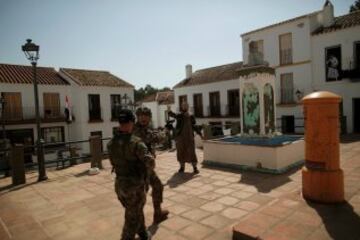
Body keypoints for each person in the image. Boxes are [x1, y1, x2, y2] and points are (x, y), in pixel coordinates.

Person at [107, 109, 153, 240]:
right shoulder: (136, 143)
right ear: (132, 122)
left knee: (135, 211)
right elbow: (150, 162)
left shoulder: (111, 144)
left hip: (120, 185)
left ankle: (143, 233)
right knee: (131, 220)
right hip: (135, 187)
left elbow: (113, 162)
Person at [133, 107, 169, 224]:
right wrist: (165, 131)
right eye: (141, 115)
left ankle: (157, 213)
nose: (143, 118)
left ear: (150, 117)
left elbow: (152, 135)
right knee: (140, 198)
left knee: (158, 186)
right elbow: (157, 138)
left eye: (146, 115)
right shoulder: (137, 130)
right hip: (139, 169)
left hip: (147, 167)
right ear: (137, 117)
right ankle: (138, 228)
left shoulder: (145, 129)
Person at [168, 102, 203, 174]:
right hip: (180, 137)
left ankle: (195, 168)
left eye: (186, 105)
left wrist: (200, 134)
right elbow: (173, 115)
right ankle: (182, 167)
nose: (184, 107)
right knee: (180, 152)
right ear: (182, 107)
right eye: (183, 106)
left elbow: (195, 126)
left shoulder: (191, 116)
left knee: (192, 152)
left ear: (188, 107)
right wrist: (169, 110)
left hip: (189, 137)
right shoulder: (179, 115)